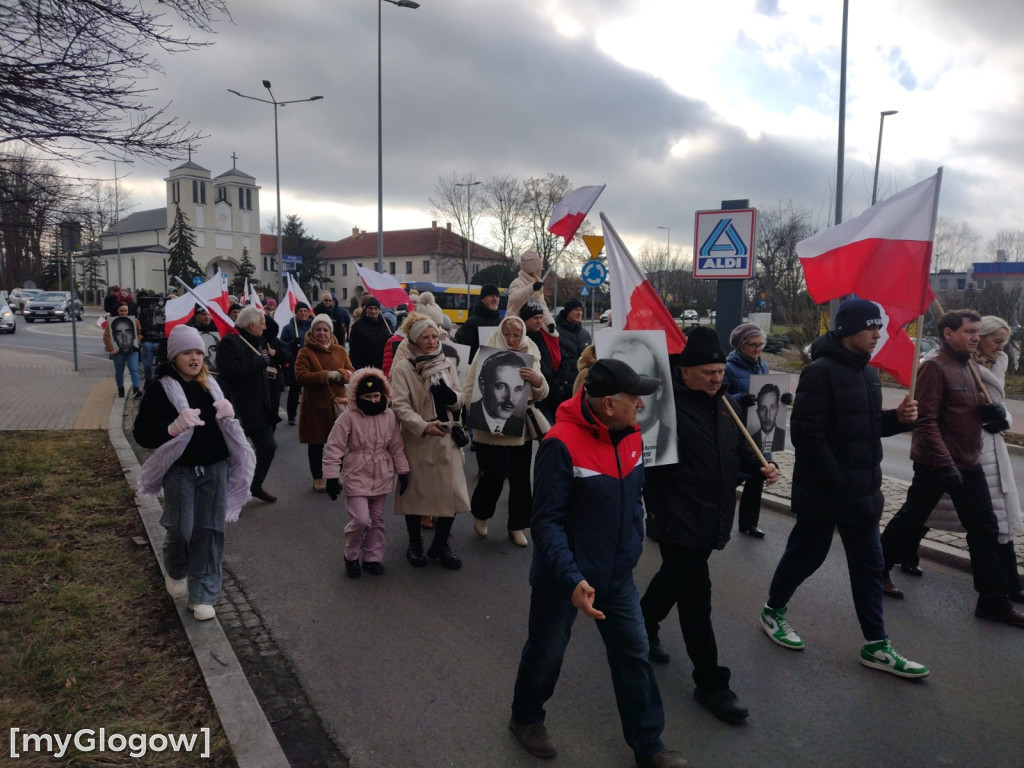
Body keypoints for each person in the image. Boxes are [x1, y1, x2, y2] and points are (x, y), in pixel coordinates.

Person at [509, 359, 688, 768]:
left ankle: (649, 746)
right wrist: (572, 578)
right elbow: (546, 522)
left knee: (634, 655)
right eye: (634, 398)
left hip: (616, 576)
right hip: (563, 578)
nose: (641, 405)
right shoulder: (560, 444)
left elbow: (636, 496)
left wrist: (632, 543)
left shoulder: (630, 436)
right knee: (547, 651)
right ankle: (526, 718)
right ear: (609, 404)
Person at [758, 298, 929, 678]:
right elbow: (807, 434)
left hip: (862, 492)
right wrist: (838, 478)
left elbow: (864, 429)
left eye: (879, 329)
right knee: (807, 554)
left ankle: (876, 644)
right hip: (827, 491)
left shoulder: (866, 374)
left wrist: (897, 420)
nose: (877, 335)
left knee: (869, 565)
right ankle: (773, 610)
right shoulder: (820, 372)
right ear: (848, 329)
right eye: (871, 328)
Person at [641, 327, 778, 724]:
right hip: (677, 516)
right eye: (707, 372)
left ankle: (642, 623)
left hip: (712, 514)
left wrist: (760, 468)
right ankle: (711, 682)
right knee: (696, 595)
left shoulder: (725, 406)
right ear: (684, 372)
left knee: (674, 578)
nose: (717, 378)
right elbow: (649, 464)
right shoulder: (663, 409)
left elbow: (736, 453)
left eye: (720, 371)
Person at [880, 310, 1024, 626]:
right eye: (969, 331)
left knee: (985, 529)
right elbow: (925, 420)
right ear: (948, 333)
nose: (976, 337)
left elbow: (970, 413)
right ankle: (877, 572)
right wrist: (944, 464)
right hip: (937, 464)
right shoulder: (934, 367)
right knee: (911, 519)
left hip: (969, 463)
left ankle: (992, 601)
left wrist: (996, 417)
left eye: (977, 332)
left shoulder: (969, 366)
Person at [133, 325, 255, 621]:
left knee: (210, 531)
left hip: (215, 469)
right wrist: (172, 427)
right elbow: (142, 434)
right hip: (179, 470)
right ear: (174, 357)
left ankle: (202, 595)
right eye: (187, 352)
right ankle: (176, 568)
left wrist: (231, 414)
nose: (194, 358)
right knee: (181, 529)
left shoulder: (215, 386)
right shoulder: (160, 389)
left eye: (199, 352)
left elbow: (231, 425)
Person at [389, 313, 469, 570]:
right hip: (419, 439)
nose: (432, 341)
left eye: (435, 336)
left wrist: (450, 396)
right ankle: (415, 544)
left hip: (446, 436)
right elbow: (400, 405)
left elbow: (459, 396)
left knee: (453, 494)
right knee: (416, 495)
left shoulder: (444, 362)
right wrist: (424, 427)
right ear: (414, 339)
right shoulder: (403, 367)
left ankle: (441, 544)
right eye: (426, 337)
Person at [465, 316, 548, 547]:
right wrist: (485, 419)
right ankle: (481, 514)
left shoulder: (532, 351)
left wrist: (537, 380)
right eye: (508, 334)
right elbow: (471, 387)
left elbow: (543, 392)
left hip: (520, 427)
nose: (512, 339)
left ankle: (517, 525)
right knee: (493, 475)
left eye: (516, 335)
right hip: (491, 430)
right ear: (501, 332)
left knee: (521, 478)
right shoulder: (489, 349)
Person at [323, 367, 410, 579]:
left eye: (376, 396)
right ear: (357, 396)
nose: (373, 400)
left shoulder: (389, 416)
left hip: (381, 473)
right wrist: (332, 476)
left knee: (376, 519)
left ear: (383, 394)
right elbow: (334, 447)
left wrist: (403, 471)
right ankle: (351, 554)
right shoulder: (348, 417)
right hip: (357, 473)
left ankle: (372, 556)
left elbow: (396, 447)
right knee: (362, 520)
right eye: (367, 396)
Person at [723, 322, 787, 538]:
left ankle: (749, 523)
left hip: (759, 429)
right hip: (737, 433)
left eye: (761, 345)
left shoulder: (762, 366)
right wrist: (740, 398)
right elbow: (720, 398)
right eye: (753, 345)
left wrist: (783, 399)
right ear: (741, 345)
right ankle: (720, 522)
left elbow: (769, 392)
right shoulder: (729, 368)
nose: (758, 349)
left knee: (758, 476)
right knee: (730, 479)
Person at [216, 306, 285, 503]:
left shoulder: (258, 341)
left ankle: (255, 485)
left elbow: (273, 329)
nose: (264, 328)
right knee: (234, 453)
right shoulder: (230, 342)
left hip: (258, 408)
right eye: (261, 324)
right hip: (237, 408)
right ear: (251, 325)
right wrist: (258, 362)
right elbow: (230, 370)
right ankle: (225, 491)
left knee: (268, 447)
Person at [295, 314, 355, 492]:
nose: (322, 333)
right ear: (312, 332)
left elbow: (351, 370)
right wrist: (326, 375)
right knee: (316, 443)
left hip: (338, 402)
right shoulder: (305, 352)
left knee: (339, 443)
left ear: (331, 332)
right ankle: (318, 477)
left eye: (325, 329)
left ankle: (335, 474)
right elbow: (300, 376)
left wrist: (341, 374)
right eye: (318, 329)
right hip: (315, 404)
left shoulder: (340, 350)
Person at [603, 332, 674, 466]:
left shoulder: (674, 440)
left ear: (658, 390)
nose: (637, 399)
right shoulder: (598, 441)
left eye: (643, 384)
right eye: (624, 385)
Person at [521, 300, 574, 423]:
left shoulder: (547, 338)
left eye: (541, 317)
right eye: (535, 318)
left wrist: (557, 380)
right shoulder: (520, 341)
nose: (540, 321)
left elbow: (563, 358)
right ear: (524, 320)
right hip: (534, 400)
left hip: (553, 395)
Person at [507, 250, 556, 334]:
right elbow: (514, 299)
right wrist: (531, 289)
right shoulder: (517, 283)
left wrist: (549, 322)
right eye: (538, 270)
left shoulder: (538, 284)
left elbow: (542, 305)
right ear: (531, 270)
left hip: (535, 328)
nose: (539, 272)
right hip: (517, 326)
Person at [280, 302, 313, 425]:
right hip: (295, 362)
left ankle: (311, 415)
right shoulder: (289, 328)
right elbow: (282, 346)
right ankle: (291, 415)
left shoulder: (312, 326)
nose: (303, 313)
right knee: (294, 390)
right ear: (296, 312)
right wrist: (292, 343)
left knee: (311, 390)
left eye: (305, 311)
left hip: (311, 362)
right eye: (300, 311)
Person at [455, 282, 502, 362]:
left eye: (497, 296)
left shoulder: (502, 321)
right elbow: (465, 349)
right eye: (491, 296)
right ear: (482, 299)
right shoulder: (471, 322)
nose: (495, 299)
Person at [103, 304, 143, 398]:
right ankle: (121, 389)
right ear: (118, 311)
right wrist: (111, 349)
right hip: (118, 351)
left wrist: (137, 340)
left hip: (132, 351)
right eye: (122, 311)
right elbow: (106, 337)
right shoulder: (111, 322)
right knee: (119, 371)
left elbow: (140, 333)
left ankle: (136, 389)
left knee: (134, 369)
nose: (124, 313)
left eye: (126, 311)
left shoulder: (135, 321)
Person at [349, 296, 392, 370]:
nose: (373, 311)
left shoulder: (387, 323)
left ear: (379, 309)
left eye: (376, 308)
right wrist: (358, 368)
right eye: (371, 308)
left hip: (384, 366)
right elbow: (354, 350)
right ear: (366, 309)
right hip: (366, 367)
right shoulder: (358, 326)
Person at [555, 298, 592, 372]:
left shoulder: (585, 334)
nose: (579, 313)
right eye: (576, 310)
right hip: (564, 380)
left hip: (583, 379)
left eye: (581, 310)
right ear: (567, 312)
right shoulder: (556, 333)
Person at [750, 382, 786, 453]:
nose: (768, 416)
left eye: (772, 408)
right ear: (758, 412)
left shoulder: (782, 437)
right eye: (763, 409)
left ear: (777, 409)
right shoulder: (751, 439)